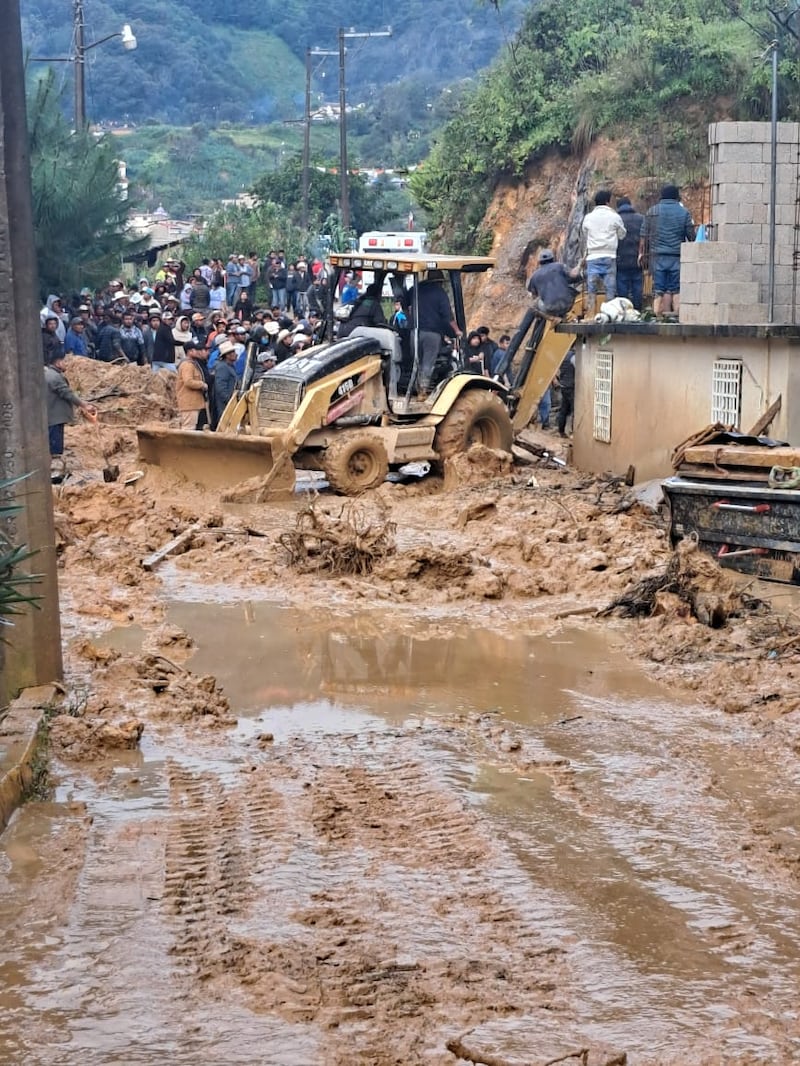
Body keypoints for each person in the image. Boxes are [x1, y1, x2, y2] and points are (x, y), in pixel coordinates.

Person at [640, 183, 695, 317]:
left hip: (657, 257)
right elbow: (691, 236)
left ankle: (656, 318)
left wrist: (642, 254)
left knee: (658, 290)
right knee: (675, 289)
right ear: (677, 197)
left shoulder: (652, 211)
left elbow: (643, 236)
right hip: (677, 257)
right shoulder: (684, 212)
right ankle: (677, 317)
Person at [412, 269, 461, 394]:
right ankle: (422, 391)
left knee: (415, 362)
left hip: (414, 332)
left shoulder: (416, 288)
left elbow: (404, 303)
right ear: (439, 281)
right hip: (431, 334)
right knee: (428, 362)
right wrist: (457, 331)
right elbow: (447, 316)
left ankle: (411, 387)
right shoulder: (440, 293)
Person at [44, 350, 97, 459]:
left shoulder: (49, 374)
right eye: (65, 361)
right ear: (58, 363)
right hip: (55, 417)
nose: (67, 364)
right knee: (55, 449)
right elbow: (67, 394)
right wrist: (84, 405)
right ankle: (55, 471)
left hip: (52, 416)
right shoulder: (55, 377)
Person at [581, 190, 626, 303]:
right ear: (608, 201)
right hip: (609, 256)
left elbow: (585, 234)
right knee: (610, 288)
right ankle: (609, 314)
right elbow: (622, 235)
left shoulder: (588, 217)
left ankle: (590, 313)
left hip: (592, 257)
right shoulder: (615, 216)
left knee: (591, 289)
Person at [527, 250, 581, 317]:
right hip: (568, 305)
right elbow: (574, 276)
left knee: (534, 305)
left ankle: (523, 327)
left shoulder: (535, 275)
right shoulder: (560, 266)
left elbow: (534, 296)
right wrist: (579, 266)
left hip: (550, 308)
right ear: (552, 258)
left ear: (540, 262)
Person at [615, 196, 645, 311]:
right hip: (638, 259)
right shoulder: (641, 219)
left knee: (622, 288)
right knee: (637, 287)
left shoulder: (616, 219)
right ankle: (637, 311)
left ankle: (624, 312)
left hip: (620, 260)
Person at [176, 343, 210, 429]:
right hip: (189, 404)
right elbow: (188, 381)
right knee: (188, 428)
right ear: (189, 352)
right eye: (195, 350)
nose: (197, 352)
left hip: (193, 403)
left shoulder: (192, 364)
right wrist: (202, 384)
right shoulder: (187, 365)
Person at [557, 347, 576, 438]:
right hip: (571, 387)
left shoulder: (563, 355)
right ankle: (573, 432)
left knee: (564, 409)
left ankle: (561, 430)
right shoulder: (574, 357)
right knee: (575, 409)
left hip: (563, 385)